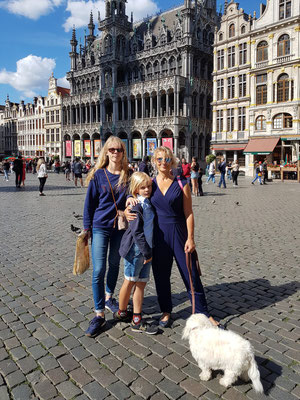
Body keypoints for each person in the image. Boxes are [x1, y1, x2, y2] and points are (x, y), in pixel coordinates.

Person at [126, 147, 222, 329]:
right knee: (161, 276)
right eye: (160, 159)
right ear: (154, 161)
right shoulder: (151, 183)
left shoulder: (181, 182)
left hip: (179, 233)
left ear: (172, 161)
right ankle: (166, 311)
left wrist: (191, 238)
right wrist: (127, 203)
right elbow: (134, 193)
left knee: (191, 274)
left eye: (167, 159)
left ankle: (203, 313)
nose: (164, 162)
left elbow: (189, 213)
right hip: (159, 236)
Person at [83, 136, 130, 338]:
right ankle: (99, 313)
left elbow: (137, 193)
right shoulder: (98, 175)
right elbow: (89, 204)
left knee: (114, 263)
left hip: (119, 227)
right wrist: (86, 229)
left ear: (123, 152)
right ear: (106, 152)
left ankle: (109, 296)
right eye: (111, 149)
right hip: (100, 226)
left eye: (118, 149)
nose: (115, 152)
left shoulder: (128, 175)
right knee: (99, 269)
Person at [114, 172, 158, 334]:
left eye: (149, 186)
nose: (147, 190)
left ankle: (137, 316)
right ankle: (122, 311)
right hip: (136, 249)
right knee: (130, 280)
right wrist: (147, 252)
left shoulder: (148, 203)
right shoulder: (134, 205)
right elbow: (137, 233)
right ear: (136, 189)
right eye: (143, 187)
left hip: (148, 248)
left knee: (141, 283)